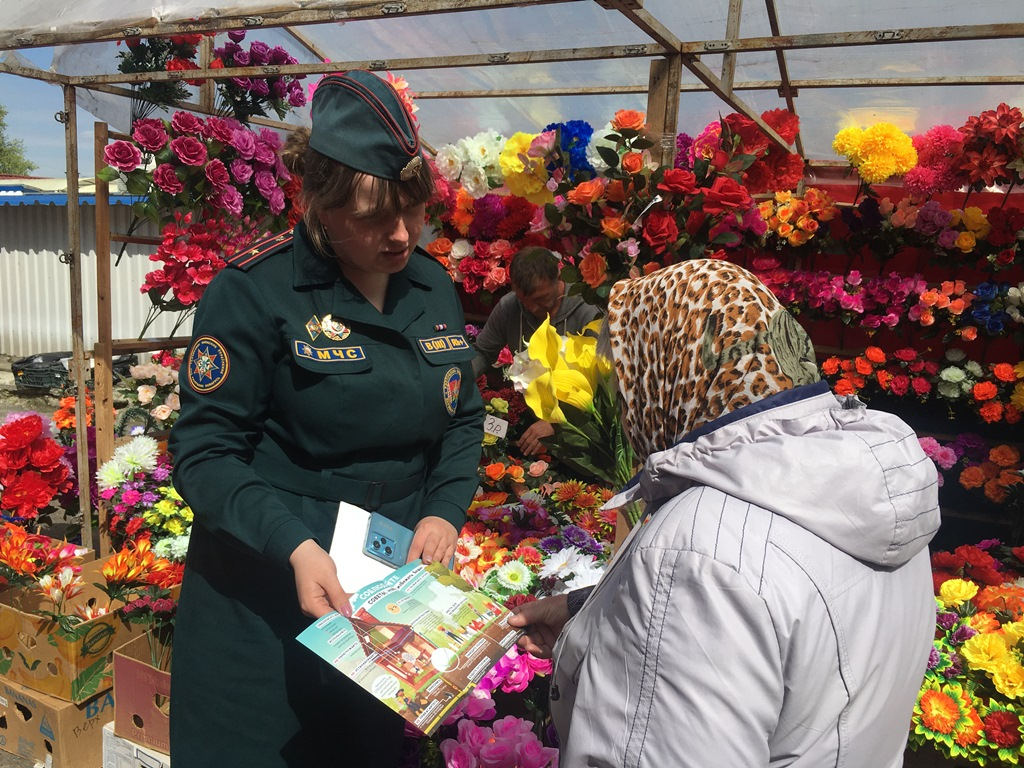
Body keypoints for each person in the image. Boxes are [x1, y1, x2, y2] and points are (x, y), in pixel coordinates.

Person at [168, 70, 483, 768]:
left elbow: (463, 420)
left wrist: (443, 512)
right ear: (319, 202)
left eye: (414, 209)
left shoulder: (432, 286)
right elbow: (205, 453)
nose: (400, 235)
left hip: (384, 587)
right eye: (373, 217)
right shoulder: (255, 291)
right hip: (267, 586)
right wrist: (291, 545)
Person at [509, 259, 939, 767]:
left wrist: (658, 603)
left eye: (627, 381)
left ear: (669, 371)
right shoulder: (865, 480)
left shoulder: (695, 548)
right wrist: (595, 614)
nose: (627, 407)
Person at [472, 246, 601, 454]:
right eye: (524, 301)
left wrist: (557, 422)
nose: (532, 308)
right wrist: (455, 380)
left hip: (589, 431)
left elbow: (602, 384)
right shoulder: (509, 307)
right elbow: (482, 353)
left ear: (558, 277)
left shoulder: (588, 311)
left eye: (541, 299)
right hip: (535, 426)